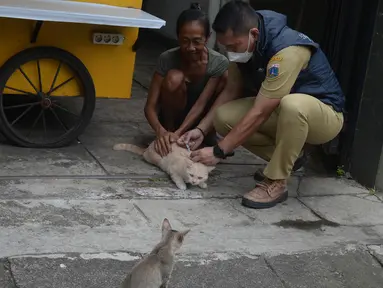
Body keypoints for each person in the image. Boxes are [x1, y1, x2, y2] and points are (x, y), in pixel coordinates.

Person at [178, 0, 345, 209]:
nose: (229, 53)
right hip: (283, 112)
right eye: (225, 47)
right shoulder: (244, 44)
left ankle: (276, 181)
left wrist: (219, 151)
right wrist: (202, 130)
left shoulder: (286, 51)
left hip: (325, 116)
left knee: (292, 105)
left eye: (232, 46)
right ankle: (292, 158)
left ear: (254, 34)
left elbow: (260, 111)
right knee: (223, 118)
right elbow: (230, 90)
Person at [144, 3, 229, 157]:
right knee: (174, 78)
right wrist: (162, 131)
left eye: (197, 41)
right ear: (178, 37)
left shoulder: (218, 62)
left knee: (227, 78)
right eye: (185, 41)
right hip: (172, 120)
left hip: (200, 120)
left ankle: (204, 134)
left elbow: (201, 104)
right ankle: (171, 133)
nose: (190, 48)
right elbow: (150, 106)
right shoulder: (167, 58)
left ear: (208, 37)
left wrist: (181, 132)